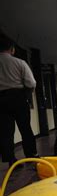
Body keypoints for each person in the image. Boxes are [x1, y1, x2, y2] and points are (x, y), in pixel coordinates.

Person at [0, 32, 38, 167]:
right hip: (18, 97)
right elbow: (31, 83)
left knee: (6, 131)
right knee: (25, 127)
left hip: (1, 100)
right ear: (12, 49)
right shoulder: (19, 63)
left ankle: (11, 160)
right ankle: (31, 155)